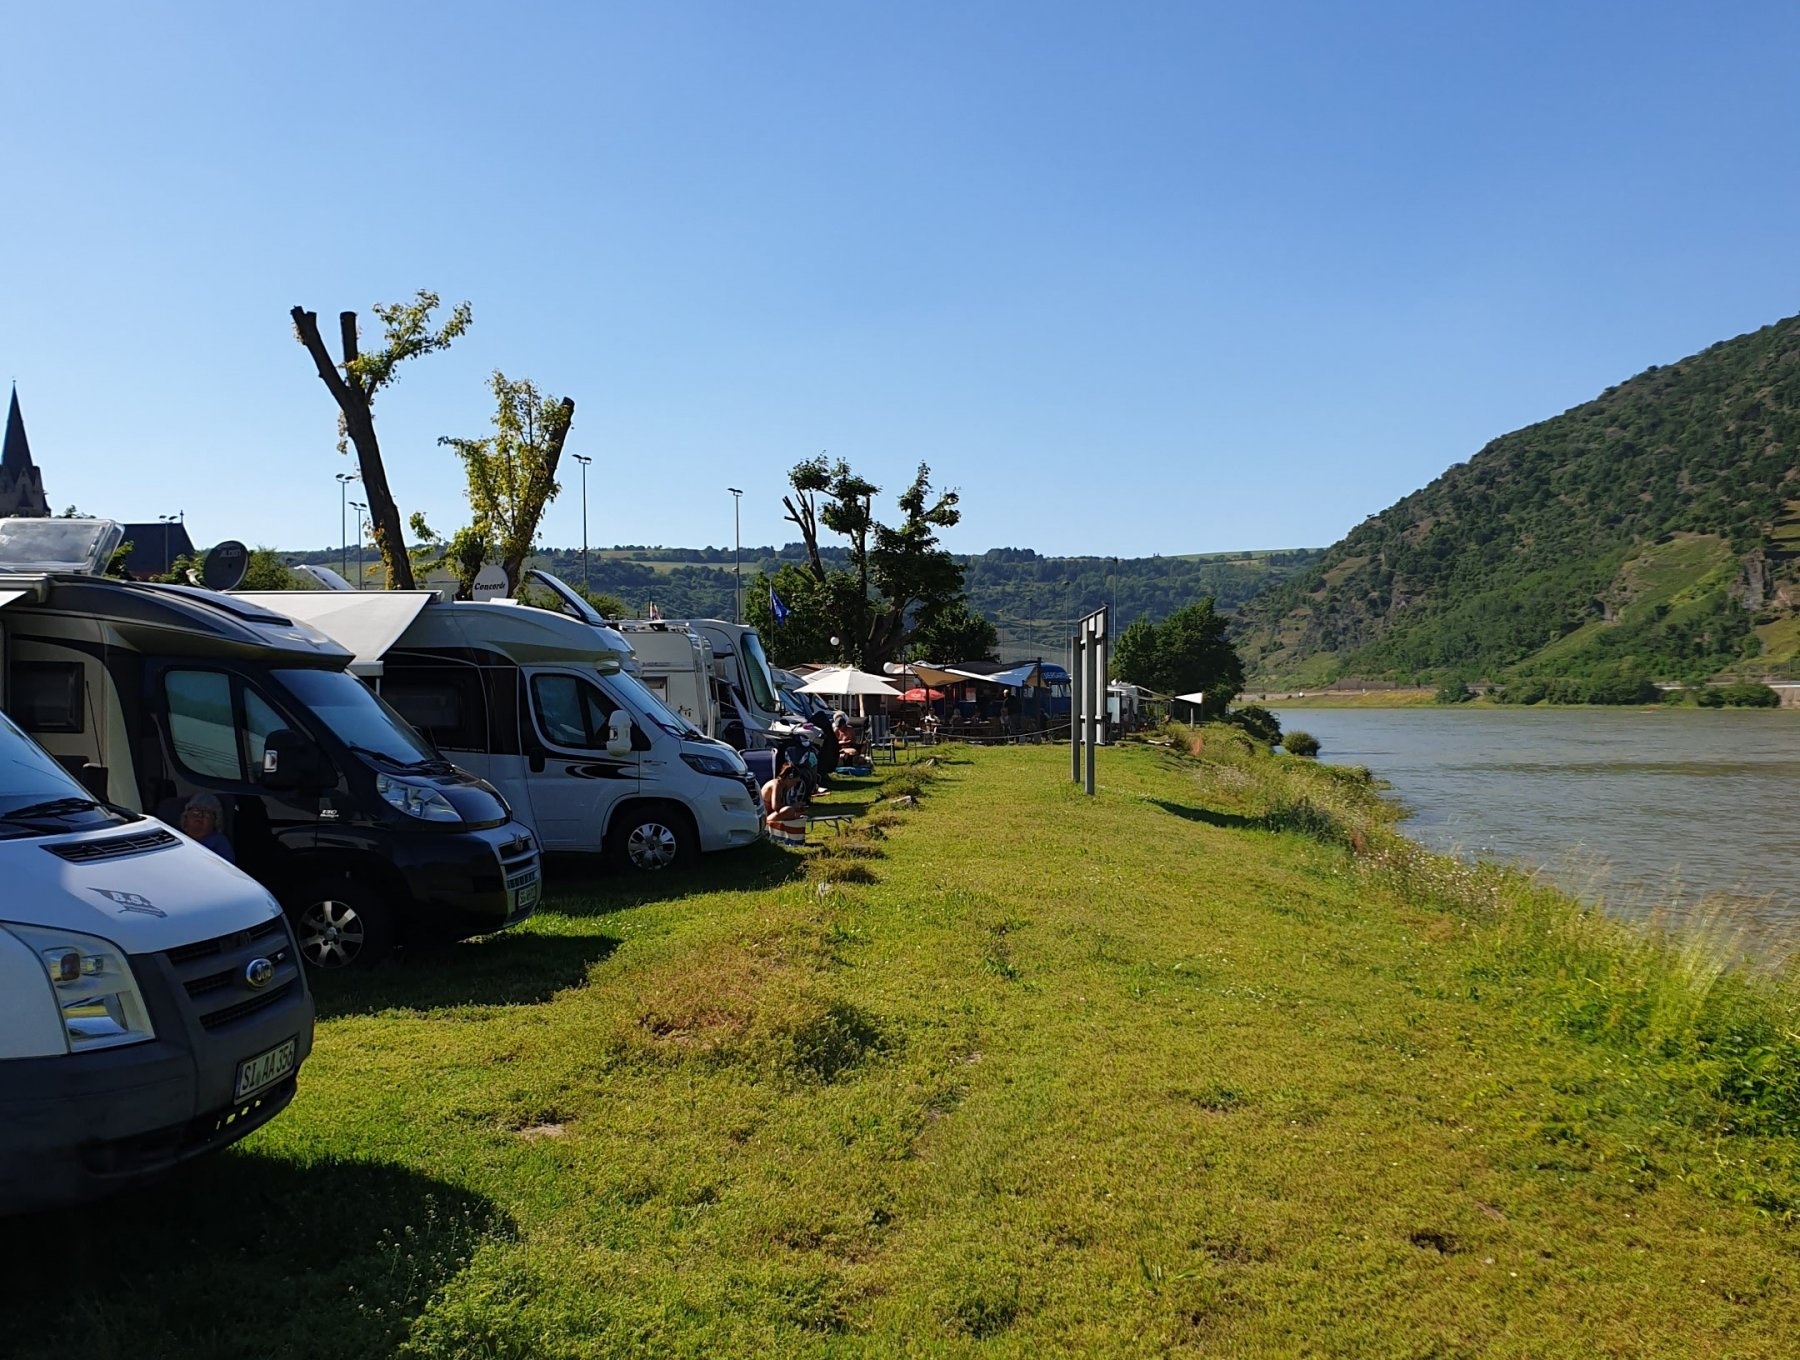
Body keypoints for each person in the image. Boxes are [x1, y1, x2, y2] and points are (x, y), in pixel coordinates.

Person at [761, 754, 809, 847]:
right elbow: (776, 807)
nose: (794, 785)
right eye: (795, 782)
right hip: (765, 818)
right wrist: (794, 807)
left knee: (794, 812)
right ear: (789, 778)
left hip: (769, 815)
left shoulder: (783, 786)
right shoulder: (777, 784)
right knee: (789, 810)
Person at [178, 792, 236, 864]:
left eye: (207, 813)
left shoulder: (220, 842)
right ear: (186, 816)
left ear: (215, 821)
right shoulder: (174, 835)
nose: (200, 815)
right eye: (196, 811)